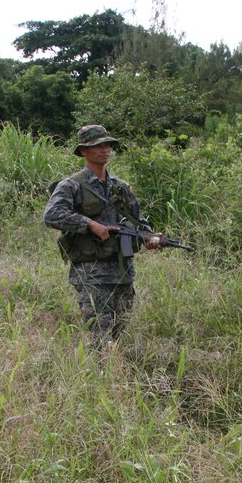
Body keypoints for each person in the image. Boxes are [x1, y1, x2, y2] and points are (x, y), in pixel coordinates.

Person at [43, 125, 161, 341]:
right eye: (97, 145)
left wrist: (149, 237)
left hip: (123, 271)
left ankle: (116, 372)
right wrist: (89, 223)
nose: (104, 149)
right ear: (84, 151)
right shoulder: (72, 185)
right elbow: (51, 215)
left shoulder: (120, 187)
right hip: (92, 274)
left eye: (107, 145)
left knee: (119, 333)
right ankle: (99, 373)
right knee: (99, 337)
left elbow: (138, 220)